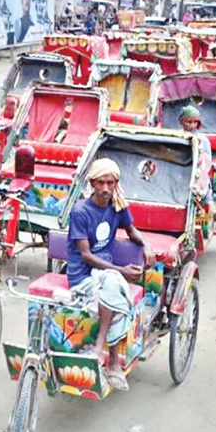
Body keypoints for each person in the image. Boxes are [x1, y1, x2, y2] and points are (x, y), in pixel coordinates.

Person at [66, 158, 154, 391]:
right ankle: (109, 357)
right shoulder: (80, 211)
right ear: (92, 184)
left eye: (110, 183)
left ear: (116, 184)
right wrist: (121, 271)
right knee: (115, 284)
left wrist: (146, 245)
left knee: (113, 285)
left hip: (104, 274)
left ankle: (104, 353)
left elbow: (131, 230)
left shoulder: (117, 206)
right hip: (83, 277)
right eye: (101, 183)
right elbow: (85, 255)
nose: (106, 188)